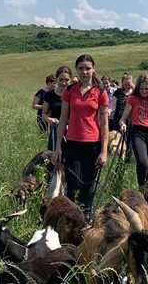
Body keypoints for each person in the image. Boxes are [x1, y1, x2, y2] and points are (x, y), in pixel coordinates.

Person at [53, 54, 109, 208]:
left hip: (93, 143)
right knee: (72, 183)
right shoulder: (70, 91)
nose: (84, 72)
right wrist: (58, 147)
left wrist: (104, 151)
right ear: (76, 70)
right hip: (72, 143)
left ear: (94, 69)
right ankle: (70, 215)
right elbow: (63, 119)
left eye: (88, 68)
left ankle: (86, 215)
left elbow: (104, 123)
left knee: (88, 185)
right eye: (81, 68)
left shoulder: (101, 92)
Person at [119, 73, 148, 189]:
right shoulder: (133, 99)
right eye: (141, 89)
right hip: (138, 132)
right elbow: (123, 118)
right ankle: (141, 185)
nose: (144, 91)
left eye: (147, 88)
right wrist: (122, 124)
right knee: (143, 162)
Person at [41, 66, 72, 152]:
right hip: (55, 130)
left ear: (71, 80)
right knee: (54, 157)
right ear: (57, 79)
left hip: (71, 131)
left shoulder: (73, 94)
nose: (64, 83)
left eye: (67, 80)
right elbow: (44, 113)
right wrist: (49, 119)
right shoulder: (49, 95)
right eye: (61, 79)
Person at [108, 73, 134, 154]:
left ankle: (127, 159)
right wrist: (109, 110)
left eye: (129, 84)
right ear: (122, 83)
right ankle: (118, 157)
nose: (127, 86)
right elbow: (112, 103)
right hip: (119, 120)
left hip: (131, 121)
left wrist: (133, 87)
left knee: (130, 140)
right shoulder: (118, 92)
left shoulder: (134, 93)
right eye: (125, 84)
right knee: (119, 139)